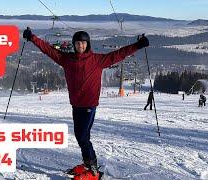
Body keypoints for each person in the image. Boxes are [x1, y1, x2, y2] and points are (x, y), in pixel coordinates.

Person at [23, 27, 149, 177]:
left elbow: (119, 54)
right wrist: (32, 37)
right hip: (76, 105)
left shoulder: (97, 60)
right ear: (74, 44)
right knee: (80, 135)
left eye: (83, 43)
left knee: (83, 137)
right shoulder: (67, 59)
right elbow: (48, 50)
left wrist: (138, 45)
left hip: (89, 105)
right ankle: (88, 162)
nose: (80, 46)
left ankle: (92, 165)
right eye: (77, 43)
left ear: (87, 44)